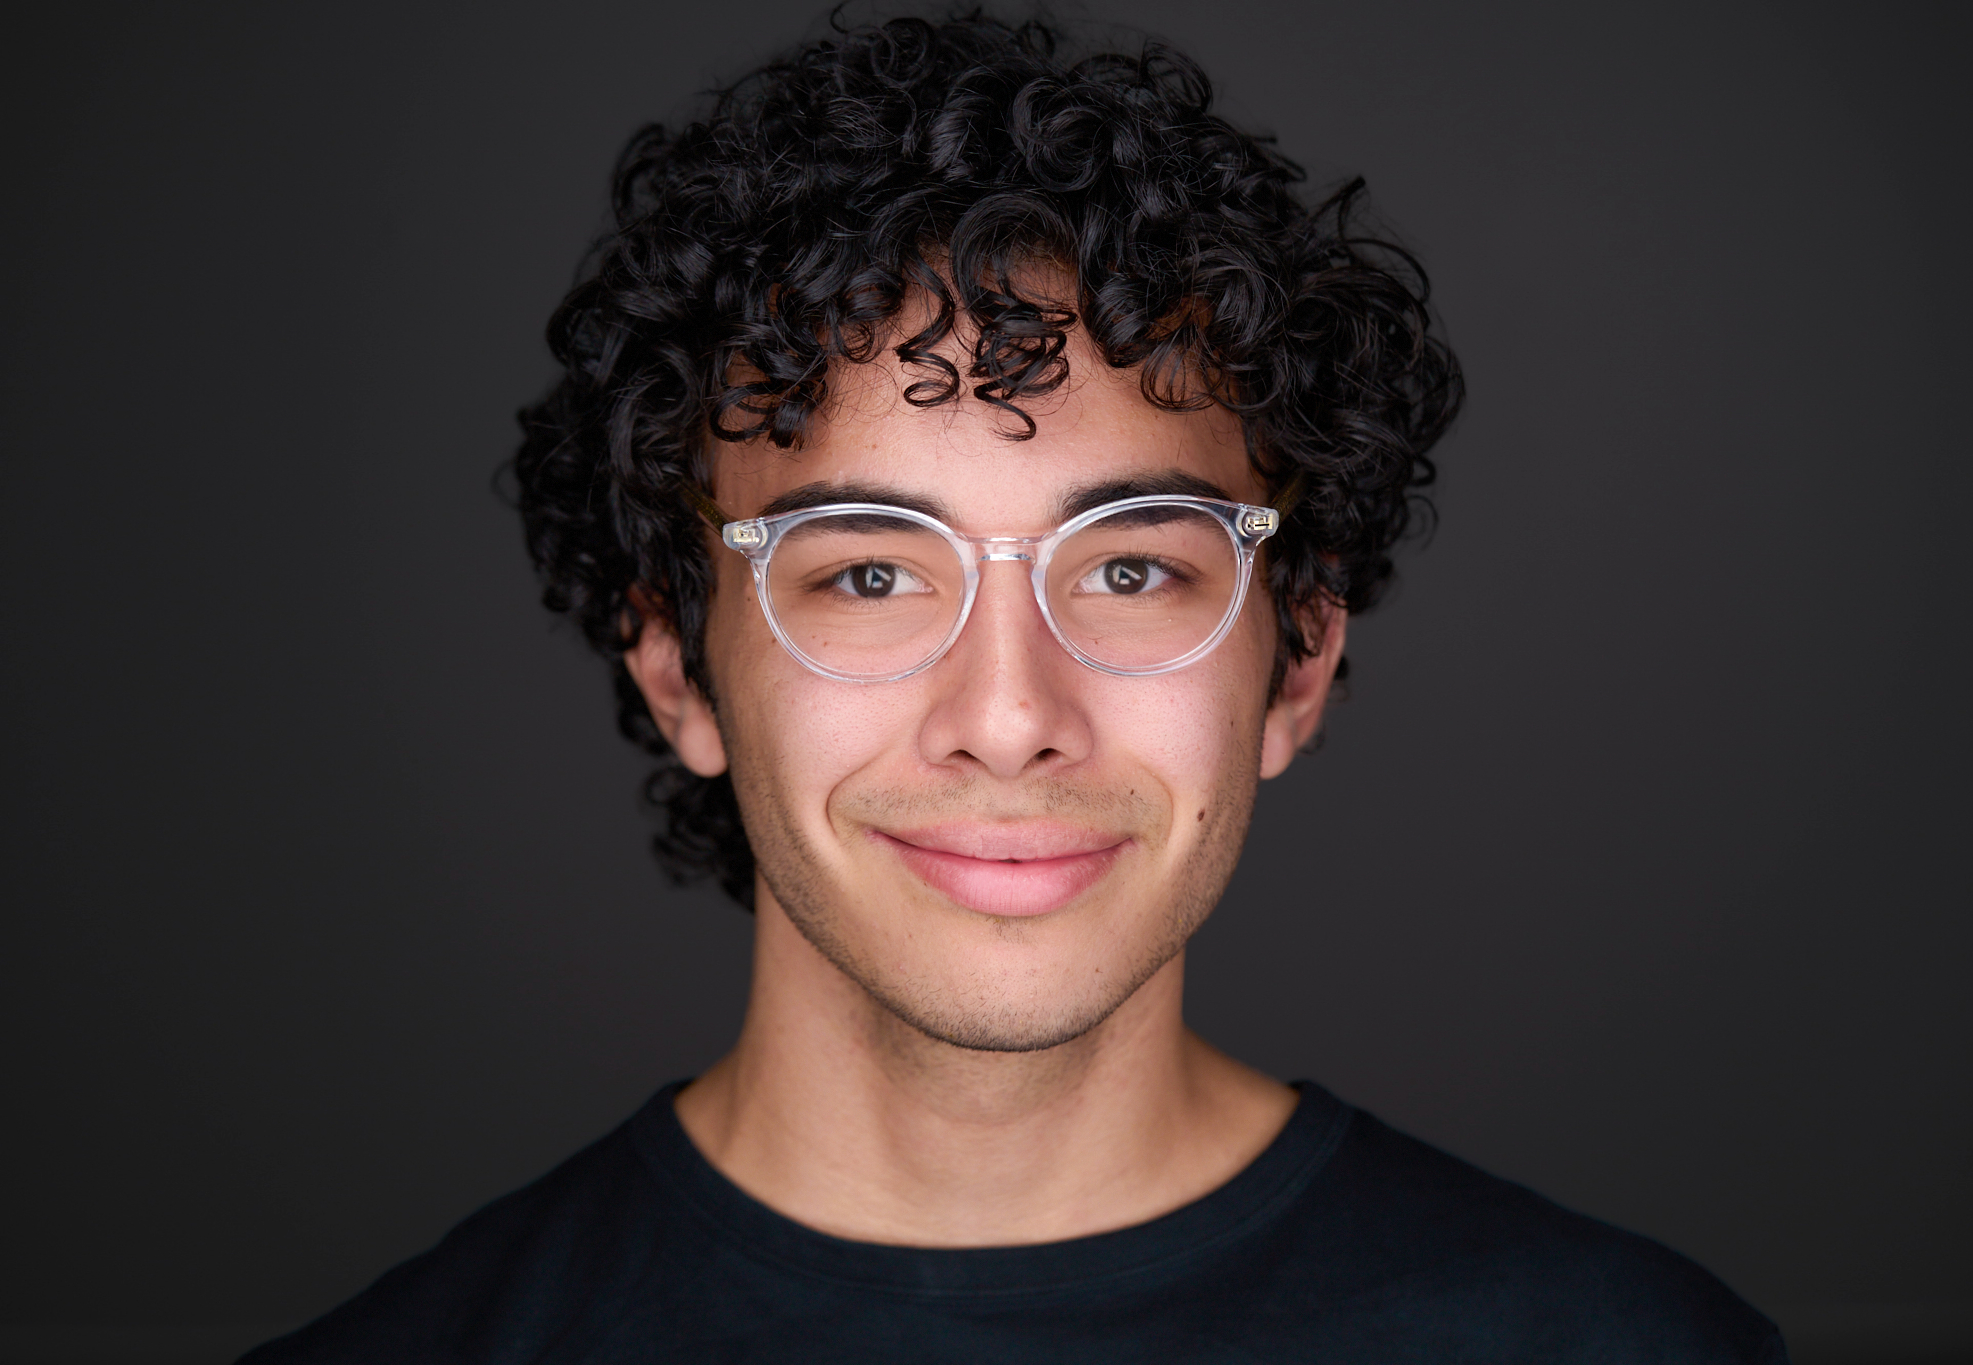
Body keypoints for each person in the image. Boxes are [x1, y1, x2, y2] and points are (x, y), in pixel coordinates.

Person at [245, 12, 1784, 1362]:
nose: (1006, 710)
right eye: (865, 571)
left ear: (1298, 660)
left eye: (1128, 568)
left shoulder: (1624, 1346)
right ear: (677, 668)